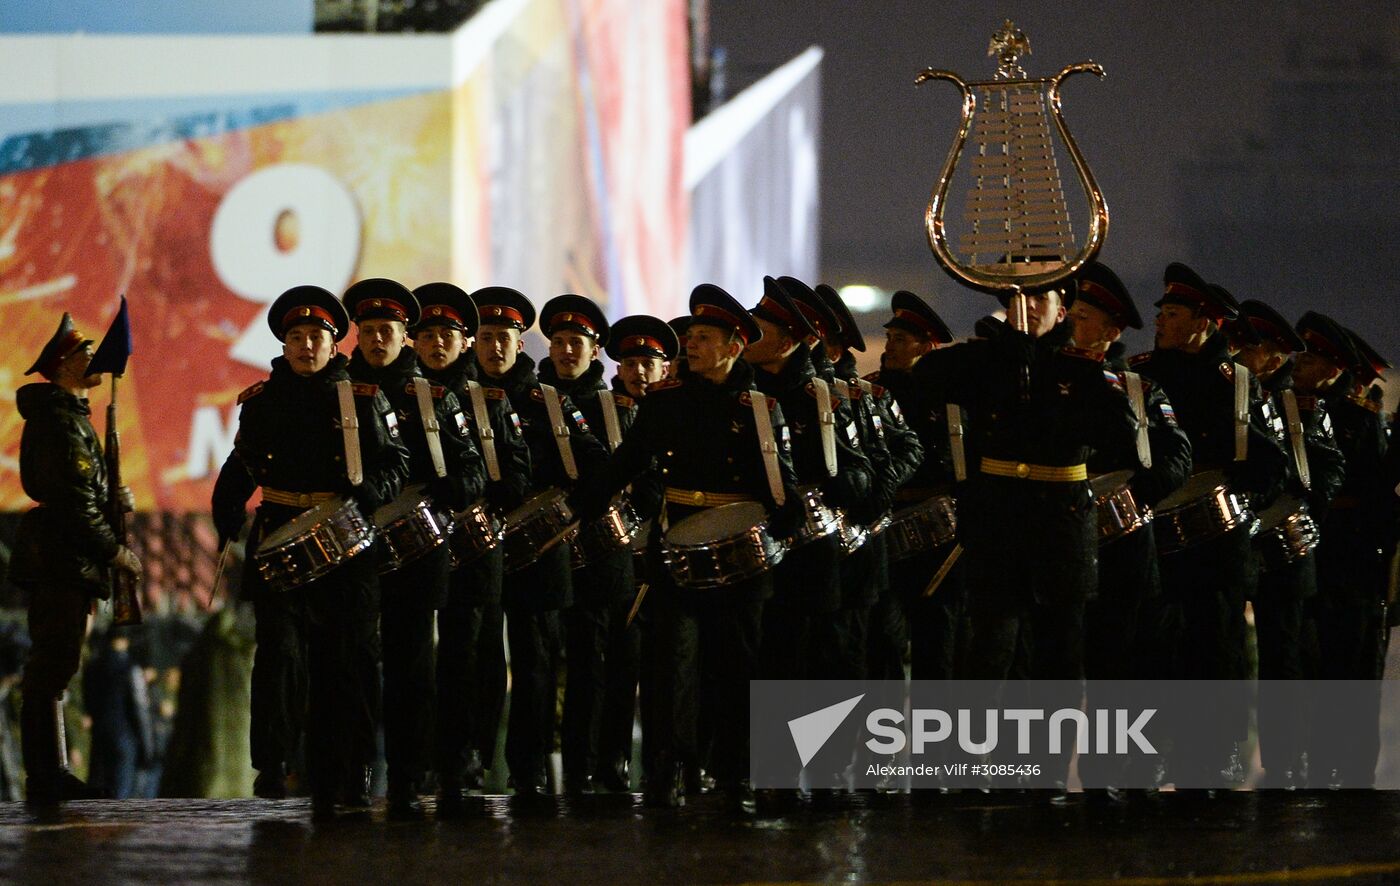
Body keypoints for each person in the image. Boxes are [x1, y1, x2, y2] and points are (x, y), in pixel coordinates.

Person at [570, 283, 799, 810]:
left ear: (733, 346)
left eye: (702, 337)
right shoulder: (667, 401)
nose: (690, 345)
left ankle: (735, 770)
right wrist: (586, 501)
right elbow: (630, 459)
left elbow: (777, 480)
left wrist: (785, 521)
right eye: (690, 336)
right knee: (672, 663)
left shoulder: (759, 407)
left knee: (736, 666)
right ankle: (668, 770)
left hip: (739, 555)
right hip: (677, 547)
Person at [915, 280, 1141, 795]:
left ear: (1063, 310)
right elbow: (926, 379)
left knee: (1058, 656)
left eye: (1041, 299)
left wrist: (1047, 378)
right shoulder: (986, 360)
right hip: (999, 520)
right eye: (1019, 299)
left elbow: (1121, 435)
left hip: (1060, 523)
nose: (1028, 308)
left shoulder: (1082, 367)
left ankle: (1046, 772)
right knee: (987, 651)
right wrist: (999, 354)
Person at [211, 285, 410, 818]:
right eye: (295, 337)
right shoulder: (261, 401)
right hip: (277, 533)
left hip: (346, 543)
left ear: (332, 342)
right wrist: (225, 507)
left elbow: (396, 462)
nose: (305, 346)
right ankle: (274, 763)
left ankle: (353, 766)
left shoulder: (362, 397)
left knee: (349, 661)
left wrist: (370, 496)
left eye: (315, 336)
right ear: (283, 343)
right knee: (279, 654)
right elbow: (242, 465)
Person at [1127, 265, 1287, 790]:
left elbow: (1272, 463)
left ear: (1204, 322)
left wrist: (1237, 503)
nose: (1160, 321)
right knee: (1152, 651)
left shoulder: (1237, 384)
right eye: (1161, 313)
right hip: (1151, 535)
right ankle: (1152, 756)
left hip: (1217, 545)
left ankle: (1216, 757)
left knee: (1217, 652)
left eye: (1172, 314)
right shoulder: (1139, 375)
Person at [343, 278, 486, 817]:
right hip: (354, 541)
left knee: (412, 666)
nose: (378, 339)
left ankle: (406, 774)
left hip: (419, 542)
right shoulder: (339, 390)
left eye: (389, 330)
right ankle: (351, 773)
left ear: (406, 337)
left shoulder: (431, 396)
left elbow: (472, 468)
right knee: (352, 661)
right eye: (370, 330)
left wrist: (453, 490)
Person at [469, 286, 609, 798]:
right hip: (477, 546)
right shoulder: (458, 395)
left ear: (520, 343)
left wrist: (567, 508)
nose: (494, 348)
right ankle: (473, 757)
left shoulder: (545, 400)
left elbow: (595, 461)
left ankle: (528, 765)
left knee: (536, 661)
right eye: (485, 338)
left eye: (504, 338)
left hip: (543, 548)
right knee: (477, 656)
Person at [1067, 261, 1191, 795]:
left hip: (1122, 541)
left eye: (1086, 316)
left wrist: (1139, 491)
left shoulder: (1136, 387)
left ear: (1112, 330)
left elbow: (1176, 454)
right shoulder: (1047, 379)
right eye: (1072, 312)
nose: (1073, 322)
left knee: (1124, 659)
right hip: (1063, 539)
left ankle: (1120, 769)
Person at [11, 313, 143, 804]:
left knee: (57, 667)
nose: (94, 360)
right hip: (63, 560)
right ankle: (46, 776)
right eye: (84, 354)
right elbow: (73, 501)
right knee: (51, 669)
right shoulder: (61, 423)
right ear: (64, 366)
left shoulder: (69, 420)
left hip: (67, 560)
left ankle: (53, 771)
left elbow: (84, 491)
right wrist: (116, 551)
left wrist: (115, 496)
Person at [411, 281, 531, 812]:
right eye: (428, 333)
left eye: (448, 334)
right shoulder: (396, 396)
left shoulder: (488, 399)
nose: (438, 343)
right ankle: (418, 760)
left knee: (474, 655)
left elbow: (517, 472)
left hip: (476, 545)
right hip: (415, 549)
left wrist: (478, 490)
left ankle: (468, 755)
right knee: (413, 656)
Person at [1228, 299, 1344, 787]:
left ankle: (1284, 758)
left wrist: (1291, 502)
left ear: (1274, 359)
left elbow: (1329, 468)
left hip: (1282, 545)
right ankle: (1227, 754)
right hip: (1232, 541)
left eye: (1252, 349)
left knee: (1283, 656)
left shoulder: (1294, 406)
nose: (1240, 354)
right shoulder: (1231, 393)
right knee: (1226, 651)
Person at [535, 294, 641, 795]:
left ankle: (610, 759)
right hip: (548, 549)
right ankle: (568, 764)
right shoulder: (530, 400)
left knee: (607, 661)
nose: (565, 350)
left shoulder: (614, 406)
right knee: (553, 662)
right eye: (558, 342)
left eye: (576, 342)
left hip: (606, 552)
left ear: (594, 350)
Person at [744, 277, 873, 685]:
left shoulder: (820, 399)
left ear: (786, 342)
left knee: (810, 669)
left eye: (759, 330)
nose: (746, 336)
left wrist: (839, 488)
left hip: (808, 559)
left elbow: (860, 470)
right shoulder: (740, 392)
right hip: (752, 555)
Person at [1294, 311, 1388, 787]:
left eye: (1308, 356)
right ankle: (1320, 759)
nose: (1298, 363)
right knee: (1315, 664)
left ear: (1331, 365)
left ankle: (1353, 768)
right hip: (1314, 552)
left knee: (1353, 668)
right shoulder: (1292, 405)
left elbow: (1377, 491)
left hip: (1352, 557)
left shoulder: (1359, 417)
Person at [596, 314, 676, 791]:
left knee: (668, 670)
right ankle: (612, 762)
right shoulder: (606, 411)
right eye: (630, 363)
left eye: (648, 363)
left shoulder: (676, 412)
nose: (638, 372)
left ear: (666, 368)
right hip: (622, 554)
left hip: (666, 554)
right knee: (619, 665)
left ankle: (665, 766)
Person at [865, 292, 961, 683]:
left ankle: (932, 738)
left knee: (936, 639)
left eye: (900, 340)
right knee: (882, 635)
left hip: (938, 527)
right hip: (887, 521)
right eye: (889, 338)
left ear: (926, 346)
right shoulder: (870, 392)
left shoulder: (947, 395)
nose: (889, 347)